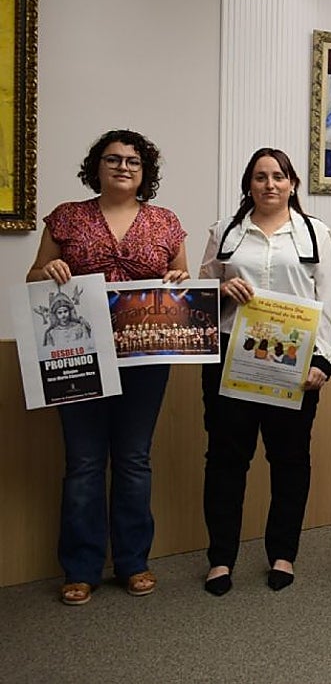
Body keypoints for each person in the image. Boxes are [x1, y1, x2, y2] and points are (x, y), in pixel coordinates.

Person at [26, 130, 188, 606]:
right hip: (77, 354)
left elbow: (178, 281)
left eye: (134, 161)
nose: (123, 167)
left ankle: (134, 562)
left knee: (134, 459)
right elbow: (34, 276)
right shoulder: (67, 217)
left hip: (144, 357)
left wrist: (179, 279)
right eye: (113, 159)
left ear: (145, 171)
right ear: (96, 166)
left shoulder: (165, 221)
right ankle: (81, 568)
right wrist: (48, 272)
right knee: (83, 462)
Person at [198, 148, 331, 595]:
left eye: (278, 176)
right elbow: (198, 297)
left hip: (294, 367)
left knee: (289, 460)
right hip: (230, 363)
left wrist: (324, 362)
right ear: (249, 184)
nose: (269, 185)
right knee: (226, 460)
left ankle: (283, 553)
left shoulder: (315, 235)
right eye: (260, 177)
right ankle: (221, 559)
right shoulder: (225, 232)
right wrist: (221, 289)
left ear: (292, 183)